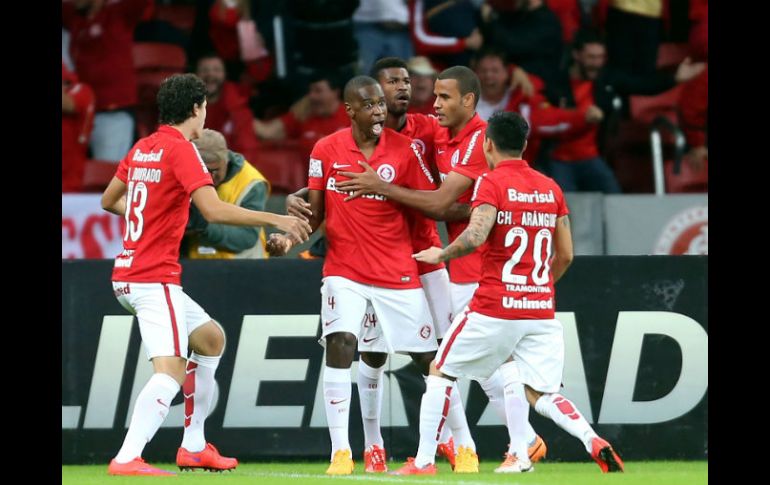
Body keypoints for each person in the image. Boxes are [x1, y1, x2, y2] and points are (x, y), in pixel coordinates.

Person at [100, 73, 310, 476]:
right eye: (204, 109)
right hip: (152, 277)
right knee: (171, 371)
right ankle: (127, 457)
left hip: (128, 271)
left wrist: (147, 217)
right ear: (197, 109)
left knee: (211, 338)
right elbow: (214, 211)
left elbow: (110, 200)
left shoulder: (143, 147)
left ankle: (194, 446)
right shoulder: (183, 150)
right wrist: (275, 218)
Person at [336, 66, 544, 471]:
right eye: (387, 89)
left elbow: (436, 201)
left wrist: (385, 188)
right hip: (409, 260)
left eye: (443, 97)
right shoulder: (433, 130)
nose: (430, 103)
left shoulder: (472, 140)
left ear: (467, 100)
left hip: (458, 263)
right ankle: (503, 442)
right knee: (437, 359)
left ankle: (483, 444)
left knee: (462, 361)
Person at [395, 111, 625, 475]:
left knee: (440, 369)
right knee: (540, 393)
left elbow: (475, 235)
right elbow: (565, 254)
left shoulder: (491, 182)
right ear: (524, 144)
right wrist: (538, 287)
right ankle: (588, 438)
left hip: (494, 305)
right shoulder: (551, 187)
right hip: (539, 310)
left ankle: (424, 461)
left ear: (487, 144)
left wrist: (442, 252)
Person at [267, 76, 439, 476]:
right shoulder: (325, 149)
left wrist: (386, 189)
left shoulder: (405, 151)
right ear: (350, 110)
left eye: (381, 104)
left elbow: (431, 203)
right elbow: (315, 214)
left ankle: (435, 450)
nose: (379, 111)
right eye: (370, 105)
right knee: (341, 341)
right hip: (344, 270)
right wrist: (287, 240)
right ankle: (341, 451)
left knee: (429, 360)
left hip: (396, 270)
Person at [184, 129, 271, 259]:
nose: (210, 177)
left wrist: (205, 227)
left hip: (242, 268)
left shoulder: (251, 183)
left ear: (226, 161)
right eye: (203, 170)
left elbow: (247, 238)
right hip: (197, 264)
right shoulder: (184, 174)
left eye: (215, 170)